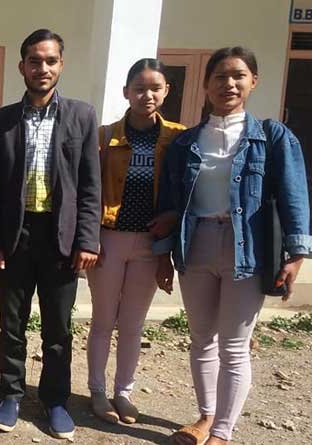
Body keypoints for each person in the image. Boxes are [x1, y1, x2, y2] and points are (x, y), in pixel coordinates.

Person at [155, 47, 310, 445]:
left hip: (247, 249)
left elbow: (294, 195)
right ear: (206, 85)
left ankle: (222, 433)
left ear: (253, 81)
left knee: (235, 346)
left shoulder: (272, 137)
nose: (229, 83)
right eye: (220, 76)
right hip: (196, 245)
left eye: (238, 75)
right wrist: (163, 256)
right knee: (201, 338)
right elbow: (171, 205)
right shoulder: (186, 143)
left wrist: (297, 254)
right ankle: (206, 416)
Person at [0, 28, 101, 440]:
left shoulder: (82, 116)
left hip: (60, 238)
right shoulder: (1, 120)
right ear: (22, 67)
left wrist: (87, 238)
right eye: (34, 61)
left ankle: (55, 400)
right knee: (11, 324)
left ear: (61, 65)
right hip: (15, 237)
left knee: (58, 329)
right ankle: (10, 395)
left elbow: (90, 183)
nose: (43, 68)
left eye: (50, 61)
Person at [85, 58, 185, 424]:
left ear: (166, 91)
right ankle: (97, 392)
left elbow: (183, 190)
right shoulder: (104, 136)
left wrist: (170, 234)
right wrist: (90, 238)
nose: (147, 95)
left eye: (155, 88)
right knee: (102, 319)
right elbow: (90, 191)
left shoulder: (178, 138)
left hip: (150, 244)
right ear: (126, 92)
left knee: (132, 323)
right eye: (139, 88)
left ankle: (123, 392)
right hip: (108, 240)